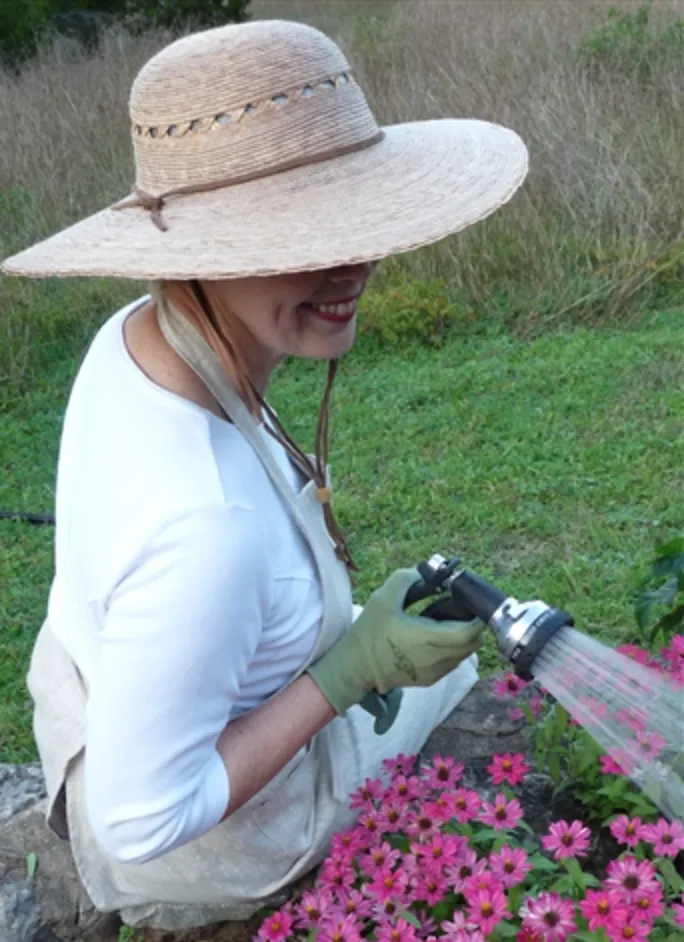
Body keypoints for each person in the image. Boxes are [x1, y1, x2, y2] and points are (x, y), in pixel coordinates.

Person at [1, 18, 528, 933]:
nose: (354, 263)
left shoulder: (137, 331)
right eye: (297, 237)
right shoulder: (208, 531)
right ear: (196, 254)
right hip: (222, 844)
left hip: (97, 712)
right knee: (453, 688)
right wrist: (347, 672)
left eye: (359, 217)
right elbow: (142, 822)